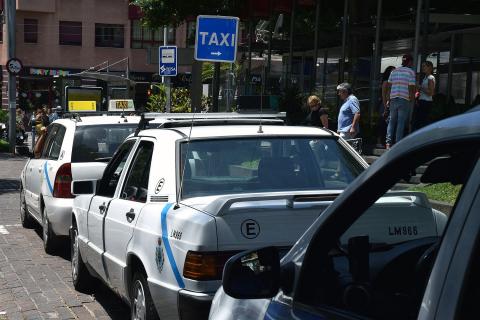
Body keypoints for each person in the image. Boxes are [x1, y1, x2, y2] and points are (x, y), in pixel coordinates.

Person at [385, 54, 416, 149]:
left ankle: (388, 143)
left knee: (391, 121)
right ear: (410, 62)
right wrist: (412, 99)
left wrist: (387, 99)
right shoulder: (411, 72)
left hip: (393, 98)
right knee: (401, 122)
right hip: (404, 98)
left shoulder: (394, 71)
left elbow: (389, 87)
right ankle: (397, 143)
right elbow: (411, 87)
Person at [413, 61, 435, 130]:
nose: (422, 68)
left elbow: (431, 92)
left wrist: (420, 87)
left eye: (424, 66)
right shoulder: (425, 77)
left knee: (422, 122)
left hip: (426, 103)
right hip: (422, 101)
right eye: (422, 66)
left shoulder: (431, 78)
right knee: (418, 122)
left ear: (430, 68)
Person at [376, 66, 395, 148]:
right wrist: (385, 106)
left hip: (390, 104)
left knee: (388, 124)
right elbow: (383, 95)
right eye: (392, 71)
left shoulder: (392, 82)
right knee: (382, 123)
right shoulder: (386, 82)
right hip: (385, 105)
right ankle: (379, 141)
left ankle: (385, 141)